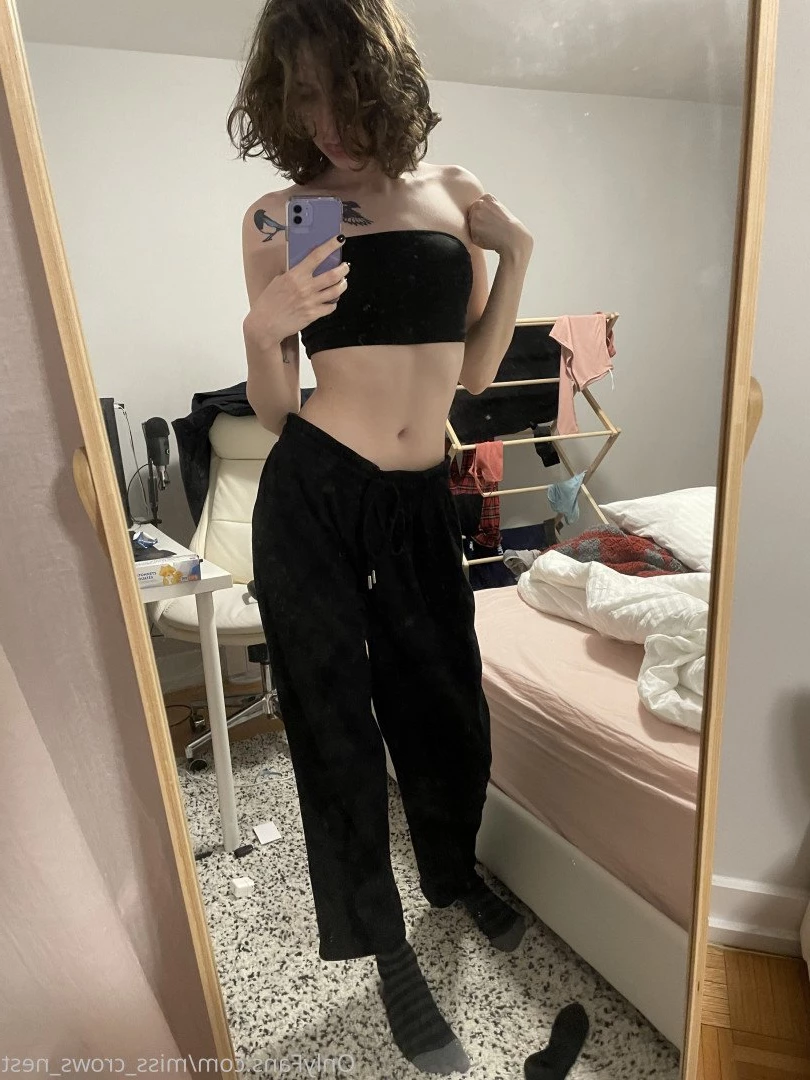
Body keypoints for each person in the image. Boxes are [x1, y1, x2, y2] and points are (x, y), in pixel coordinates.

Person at [229, 0, 533, 1072]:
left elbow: (479, 371)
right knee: (334, 725)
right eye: (300, 94)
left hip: (417, 499)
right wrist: (262, 333)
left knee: (447, 705)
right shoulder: (279, 217)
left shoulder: (452, 192)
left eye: (340, 88)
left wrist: (518, 255)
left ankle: (450, 874)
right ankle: (384, 945)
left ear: (384, 78)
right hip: (316, 493)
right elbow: (277, 410)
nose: (323, 118)